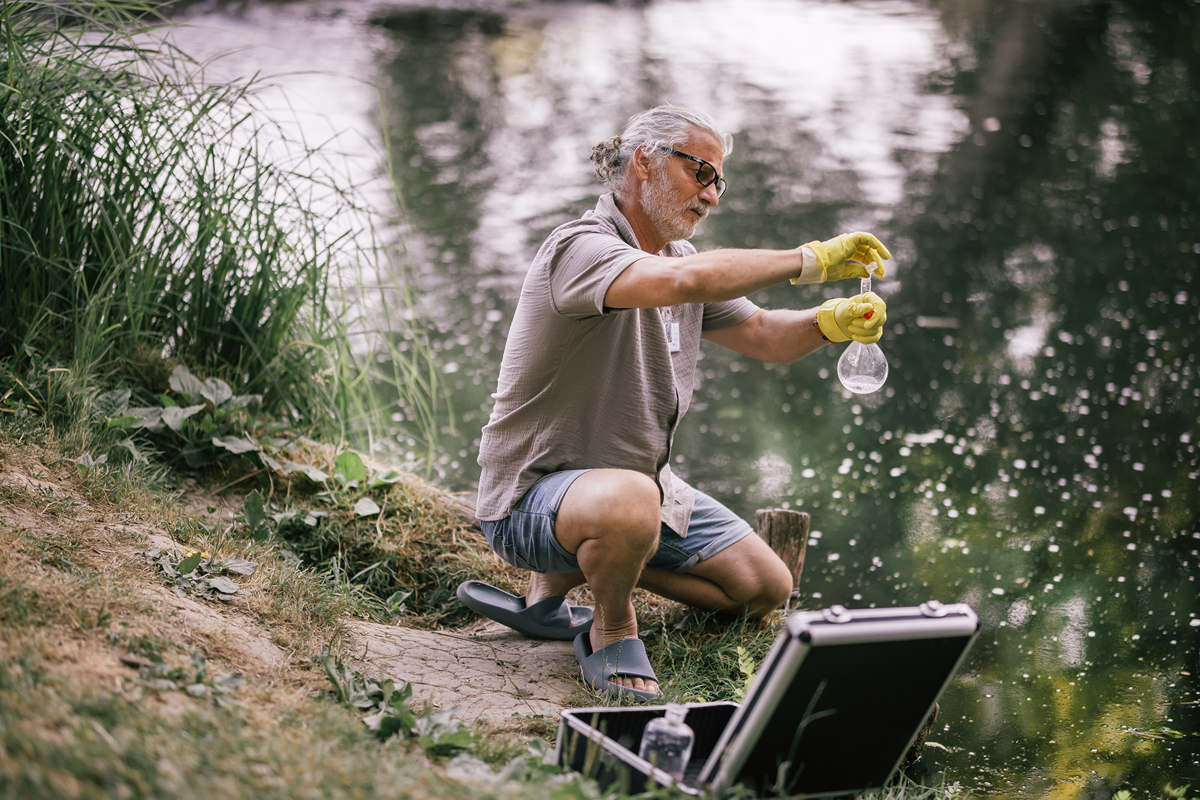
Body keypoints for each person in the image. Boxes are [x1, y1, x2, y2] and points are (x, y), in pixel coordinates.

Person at [459, 105, 891, 701]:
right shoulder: (580, 249)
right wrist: (809, 260)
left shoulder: (682, 263)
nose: (712, 195)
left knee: (764, 587)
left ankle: (555, 589)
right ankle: (611, 626)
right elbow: (688, 285)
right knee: (633, 498)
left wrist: (832, 321)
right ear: (645, 161)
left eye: (720, 181)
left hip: (631, 492)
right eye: (701, 173)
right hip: (530, 499)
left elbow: (763, 334)